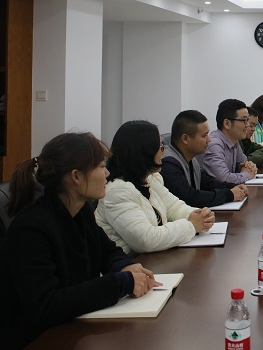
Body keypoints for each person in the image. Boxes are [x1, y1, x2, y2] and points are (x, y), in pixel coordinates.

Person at [0, 132, 160, 349]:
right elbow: (47, 305)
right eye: (101, 167)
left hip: (74, 329)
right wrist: (121, 282)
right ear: (76, 177)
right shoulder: (31, 229)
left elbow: (106, 250)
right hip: (37, 340)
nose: (107, 173)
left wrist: (124, 265)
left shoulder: (80, 211)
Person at [96, 121, 215, 256]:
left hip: (154, 259)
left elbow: (173, 207)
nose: (163, 152)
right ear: (143, 152)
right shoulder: (117, 191)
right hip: (132, 263)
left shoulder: (150, 178)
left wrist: (198, 215)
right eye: (159, 147)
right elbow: (146, 240)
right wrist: (191, 226)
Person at [161, 110, 248, 207]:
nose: (209, 140)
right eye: (204, 136)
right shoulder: (168, 164)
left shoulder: (191, 159)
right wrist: (229, 194)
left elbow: (207, 183)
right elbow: (190, 197)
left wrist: (233, 187)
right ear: (185, 139)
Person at [201, 99, 259, 184]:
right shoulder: (214, 145)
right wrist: (247, 174)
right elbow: (224, 179)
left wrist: (249, 167)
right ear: (227, 124)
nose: (247, 125)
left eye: (248, 120)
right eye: (244, 120)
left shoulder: (234, 141)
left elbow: (246, 165)